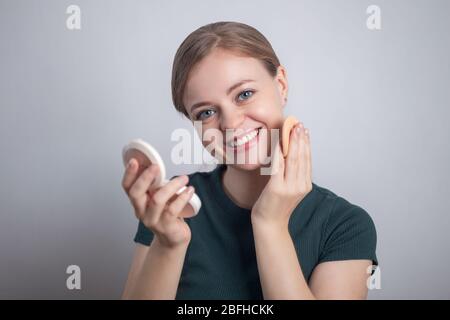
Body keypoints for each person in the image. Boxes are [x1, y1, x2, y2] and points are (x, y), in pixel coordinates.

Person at [121, 21, 378, 300]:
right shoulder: (170, 206)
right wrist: (168, 245)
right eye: (206, 112)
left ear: (280, 85)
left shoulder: (344, 224)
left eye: (244, 94)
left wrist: (270, 223)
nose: (230, 123)